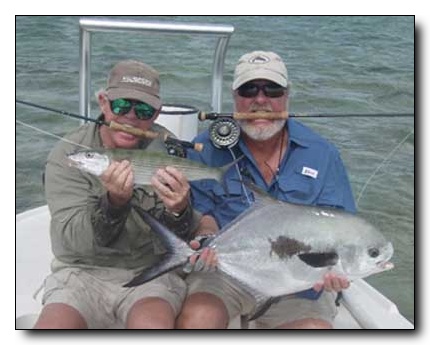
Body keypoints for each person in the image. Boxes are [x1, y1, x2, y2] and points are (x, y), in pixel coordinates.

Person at [176, 51, 356, 329]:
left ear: (287, 95)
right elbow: (203, 213)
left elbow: (342, 228)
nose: (260, 100)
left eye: (272, 90)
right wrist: (206, 237)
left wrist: (335, 271)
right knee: (198, 319)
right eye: (249, 90)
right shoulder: (205, 149)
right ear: (235, 97)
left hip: (300, 283)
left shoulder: (322, 154)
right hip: (225, 275)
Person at [33, 60, 200, 329]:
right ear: (103, 103)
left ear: (156, 114)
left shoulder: (170, 150)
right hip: (83, 271)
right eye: (121, 105)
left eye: (143, 109)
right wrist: (113, 205)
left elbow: (180, 241)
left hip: (150, 273)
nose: (131, 117)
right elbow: (73, 243)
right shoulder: (70, 155)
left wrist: (180, 210)